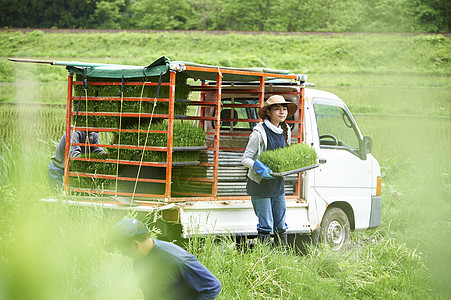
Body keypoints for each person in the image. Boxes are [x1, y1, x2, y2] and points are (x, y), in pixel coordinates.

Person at [110, 218, 221, 300]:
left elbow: (212, 286)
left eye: (123, 250)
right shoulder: (139, 263)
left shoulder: (176, 258)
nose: (124, 254)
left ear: (135, 245)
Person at [241, 95, 298, 248]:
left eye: (284, 109)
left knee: (280, 224)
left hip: (277, 184)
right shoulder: (258, 133)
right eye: (277, 109)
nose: (282, 112)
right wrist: (259, 168)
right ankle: (264, 257)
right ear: (269, 112)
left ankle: (282, 257)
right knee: (266, 224)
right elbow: (245, 158)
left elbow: (283, 155)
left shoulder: (285, 129)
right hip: (260, 185)